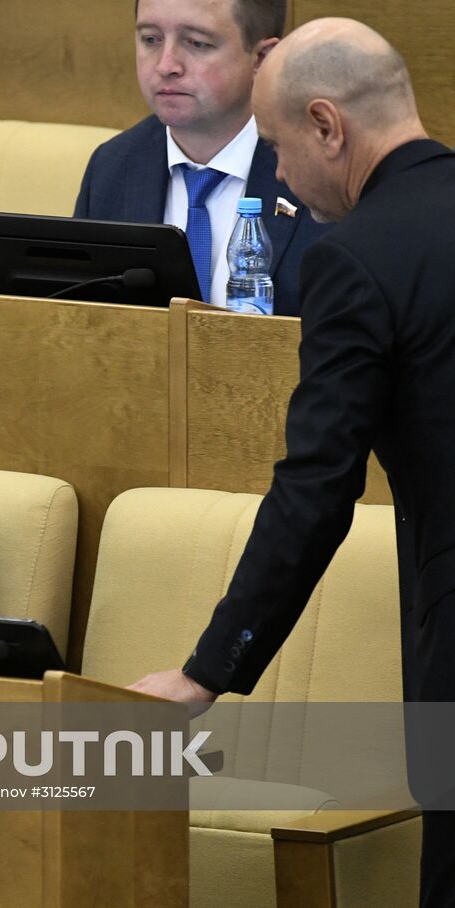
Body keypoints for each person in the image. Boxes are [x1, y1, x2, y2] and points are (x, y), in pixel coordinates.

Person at [128, 18, 455, 904]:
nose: (276, 175)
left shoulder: (355, 260)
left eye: (274, 146)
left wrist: (207, 671)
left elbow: (315, 491)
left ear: (327, 127)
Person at [73, 0, 331, 314]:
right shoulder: (112, 167)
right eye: (151, 39)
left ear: (262, 58)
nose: (166, 65)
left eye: (197, 43)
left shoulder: (324, 173)